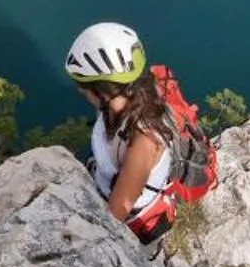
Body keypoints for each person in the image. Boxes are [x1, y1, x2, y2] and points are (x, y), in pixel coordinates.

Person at [62, 21, 217, 245]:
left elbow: (117, 212)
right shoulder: (129, 100)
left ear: (102, 91)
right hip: (108, 185)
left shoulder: (144, 140)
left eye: (83, 86)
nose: (79, 90)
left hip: (135, 226)